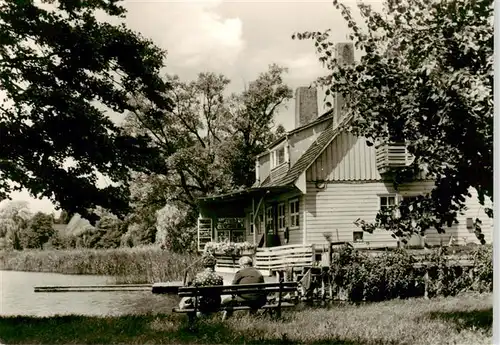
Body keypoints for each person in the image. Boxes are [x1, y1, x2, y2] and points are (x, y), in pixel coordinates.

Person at [221, 256, 267, 320]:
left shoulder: (240, 273)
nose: (240, 267)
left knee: (226, 301)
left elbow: (233, 287)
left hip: (245, 299)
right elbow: (262, 287)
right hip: (258, 300)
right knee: (253, 297)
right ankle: (252, 318)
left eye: (240, 265)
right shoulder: (258, 273)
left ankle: (225, 320)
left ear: (244, 265)